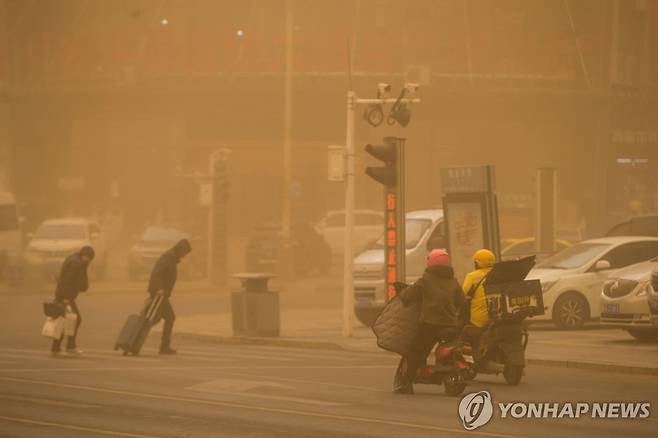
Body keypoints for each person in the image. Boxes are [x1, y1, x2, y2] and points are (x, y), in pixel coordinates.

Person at [395, 248, 465, 394]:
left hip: (430, 325)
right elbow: (461, 301)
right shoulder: (453, 281)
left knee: (414, 351)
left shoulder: (426, 280)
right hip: (451, 325)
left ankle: (406, 383)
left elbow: (408, 295)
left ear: (430, 263)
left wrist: (401, 293)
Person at [147, 238, 192, 355]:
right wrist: (159, 289)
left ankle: (139, 336)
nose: (184, 256)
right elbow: (157, 272)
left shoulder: (171, 256)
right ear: (181, 249)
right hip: (159, 294)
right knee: (168, 317)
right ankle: (163, 346)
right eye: (184, 253)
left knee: (154, 318)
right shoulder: (169, 257)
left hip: (161, 294)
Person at [51, 246, 95, 357]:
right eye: (89, 258)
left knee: (64, 320)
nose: (89, 261)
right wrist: (65, 298)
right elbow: (68, 281)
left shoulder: (73, 259)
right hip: (66, 297)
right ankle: (69, 346)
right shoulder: (76, 264)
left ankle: (57, 347)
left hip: (64, 295)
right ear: (85, 255)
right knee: (74, 319)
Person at [461, 249, 496, 351]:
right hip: (496, 318)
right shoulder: (498, 274)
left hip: (479, 320)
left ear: (476, 263)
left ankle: (469, 355)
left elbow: (463, 294)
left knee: (462, 331)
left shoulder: (472, 276)